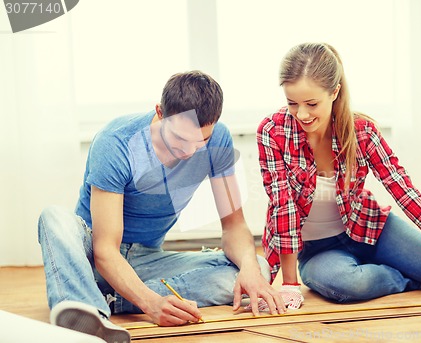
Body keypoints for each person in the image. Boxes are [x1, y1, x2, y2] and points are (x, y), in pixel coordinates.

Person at [38, 70, 285, 343]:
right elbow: (105, 250)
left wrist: (249, 267)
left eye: (200, 141)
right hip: (92, 253)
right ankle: (87, 311)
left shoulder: (219, 140)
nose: (190, 152)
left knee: (258, 268)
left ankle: (110, 300)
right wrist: (152, 304)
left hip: (146, 259)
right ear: (159, 112)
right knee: (53, 218)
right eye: (180, 139)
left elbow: (234, 225)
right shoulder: (116, 142)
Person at [255, 42, 421, 310]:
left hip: (371, 227)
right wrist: (289, 284)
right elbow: (283, 208)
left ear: (334, 91)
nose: (301, 113)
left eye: (311, 103)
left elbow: (406, 196)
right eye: (292, 103)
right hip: (320, 250)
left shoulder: (363, 131)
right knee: (344, 284)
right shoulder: (272, 131)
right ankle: (410, 277)